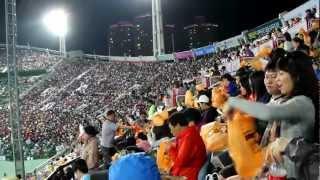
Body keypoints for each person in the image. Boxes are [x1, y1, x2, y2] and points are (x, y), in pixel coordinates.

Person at [227, 51, 319, 179]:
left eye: (281, 74)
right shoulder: (292, 101)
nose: (277, 79)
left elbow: (267, 112)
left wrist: (233, 102)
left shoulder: (302, 102)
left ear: (297, 76)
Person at [168, 112, 206, 180]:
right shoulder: (186, 135)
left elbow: (180, 162)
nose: (171, 131)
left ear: (178, 125)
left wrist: (170, 149)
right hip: (186, 171)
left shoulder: (188, 138)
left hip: (189, 174)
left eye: (171, 128)